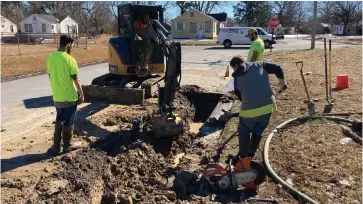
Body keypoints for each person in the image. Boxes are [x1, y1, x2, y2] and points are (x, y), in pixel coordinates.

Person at [229, 55, 287, 163]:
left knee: (244, 130)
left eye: (233, 68)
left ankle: (243, 159)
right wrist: (282, 84)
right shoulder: (261, 65)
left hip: (249, 111)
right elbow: (278, 68)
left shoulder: (236, 79)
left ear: (235, 65)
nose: (234, 71)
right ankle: (251, 154)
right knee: (258, 130)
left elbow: (241, 96)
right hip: (268, 107)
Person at [46, 35, 84, 155]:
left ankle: (56, 146)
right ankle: (67, 146)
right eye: (72, 44)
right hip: (70, 97)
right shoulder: (70, 60)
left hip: (57, 97)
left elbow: (50, 76)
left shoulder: (50, 58)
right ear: (68, 44)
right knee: (69, 122)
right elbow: (76, 80)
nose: (72, 47)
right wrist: (81, 94)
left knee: (59, 119)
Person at [134, 13, 158, 77]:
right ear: (142, 18)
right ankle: (140, 71)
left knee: (149, 48)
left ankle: (143, 69)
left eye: (147, 18)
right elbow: (135, 31)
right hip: (138, 42)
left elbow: (153, 35)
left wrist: (158, 41)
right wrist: (138, 37)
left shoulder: (149, 26)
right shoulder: (137, 23)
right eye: (145, 18)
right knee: (141, 57)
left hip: (145, 43)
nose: (146, 19)